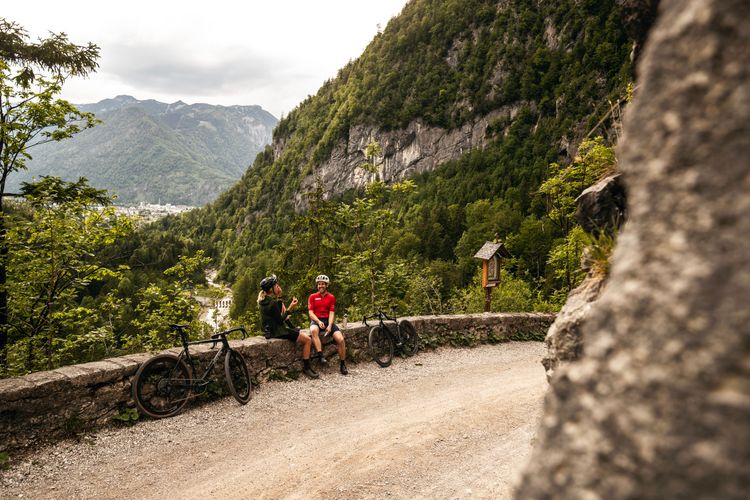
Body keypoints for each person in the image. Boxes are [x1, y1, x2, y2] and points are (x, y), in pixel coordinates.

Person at [258, 274, 319, 379]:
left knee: (298, 332)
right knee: (308, 340)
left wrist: (279, 297)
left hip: (269, 331)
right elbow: (281, 320)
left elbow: (277, 311)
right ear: (271, 289)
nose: (278, 287)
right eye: (276, 286)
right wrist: (291, 307)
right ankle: (307, 367)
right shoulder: (272, 303)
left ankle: (294, 329)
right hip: (279, 332)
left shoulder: (263, 301)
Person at [308, 274, 348, 375]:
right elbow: (310, 313)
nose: (320, 286)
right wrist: (318, 321)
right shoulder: (312, 297)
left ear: (326, 285)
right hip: (316, 320)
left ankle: (343, 364)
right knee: (313, 330)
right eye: (319, 284)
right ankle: (321, 356)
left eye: (323, 284)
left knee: (341, 339)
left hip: (328, 320)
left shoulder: (331, 297)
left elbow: (331, 312)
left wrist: (330, 325)